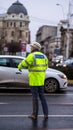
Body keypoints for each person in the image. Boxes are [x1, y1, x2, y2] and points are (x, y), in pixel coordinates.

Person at [18, 42, 48, 120]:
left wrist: (19, 67)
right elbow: (46, 67)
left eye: (31, 47)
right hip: (41, 80)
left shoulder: (31, 56)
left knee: (35, 98)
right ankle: (46, 114)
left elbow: (24, 63)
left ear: (35, 48)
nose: (31, 48)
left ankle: (34, 115)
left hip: (34, 80)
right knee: (42, 97)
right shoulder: (44, 56)